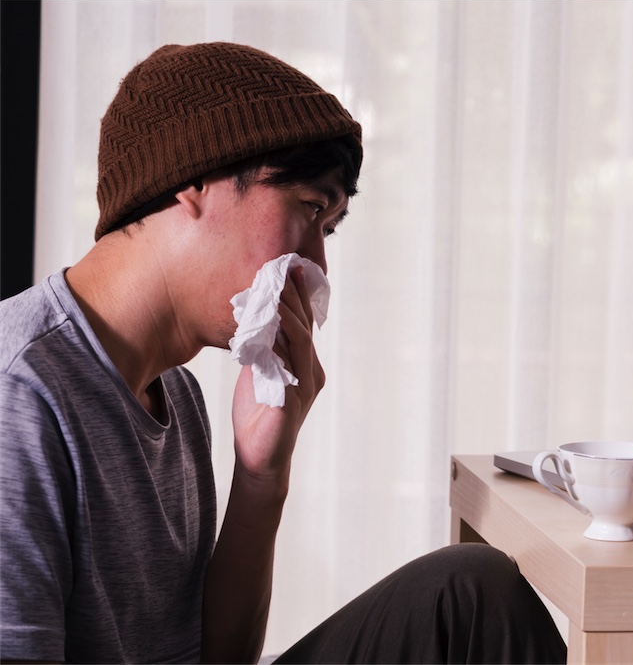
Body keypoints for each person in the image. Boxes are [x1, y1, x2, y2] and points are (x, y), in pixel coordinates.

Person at [0, 41, 567, 664]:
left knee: (470, 593)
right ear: (194, 183)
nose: (317, 265)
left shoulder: (175, 392)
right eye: (311, 209)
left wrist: (261, 477)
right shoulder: (19, 392)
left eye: (328, 230)